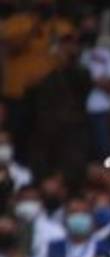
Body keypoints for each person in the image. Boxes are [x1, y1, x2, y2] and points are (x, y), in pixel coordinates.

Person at [0, 0, 75, 162]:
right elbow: (12, 47)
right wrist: (35, 25)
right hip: (17, 94)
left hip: (48, 96)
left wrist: (59, 42)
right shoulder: (15, 23)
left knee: (46, 137)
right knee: (18, 137)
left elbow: (69, 54)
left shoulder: (61, 26)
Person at [26, 29, 90, 190]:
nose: (69, 49)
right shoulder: (44, 75)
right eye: (65, 45)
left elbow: (81, 86)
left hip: (72, 135)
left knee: (72, 176)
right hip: (45, 135)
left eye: (74, 45)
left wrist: (68, 62)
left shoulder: (81, 73)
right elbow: (32, 97)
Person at [78, 9, 110, 162]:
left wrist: (92, 81)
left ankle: (108, 172)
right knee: (80, 151)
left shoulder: (105, 54)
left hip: (99, 109)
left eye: (92, 27)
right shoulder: (74, 53)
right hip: (77, 110)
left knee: (104, 152)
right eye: (86, 27)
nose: (89, 31)